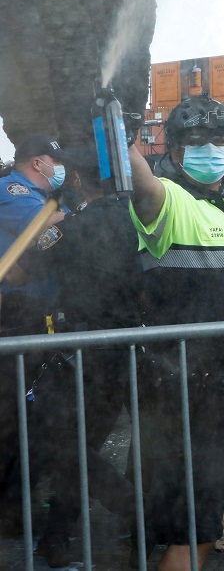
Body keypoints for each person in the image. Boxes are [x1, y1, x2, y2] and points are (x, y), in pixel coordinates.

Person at [127, 96, 224, 571]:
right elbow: (140, 182)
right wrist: (121, 127)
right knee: (194, 534)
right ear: (174, 152)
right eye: (197, 142)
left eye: (221, 141)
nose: (212, 149)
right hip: (191, 399)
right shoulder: (166, 202)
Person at [13, 146, 142, 566]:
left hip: (81, 351)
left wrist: (47, 225)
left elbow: (20, 269)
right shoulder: (139, 221)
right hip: (132, 347)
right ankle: (57, 540)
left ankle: (134, 509)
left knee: (62, 443)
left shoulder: (74, 226)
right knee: (86, 444)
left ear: (78, 181)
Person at [0, 134, 68, 528]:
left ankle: (15, 503)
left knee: (25, 415)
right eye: (53, 162)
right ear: (36, 162)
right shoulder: (12, 191)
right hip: (16, 314)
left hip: (34, 314)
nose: (58, 170)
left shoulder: (38, 195)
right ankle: (10, 509)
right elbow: (42, 231)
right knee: (15, 415)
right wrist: (81, 215)